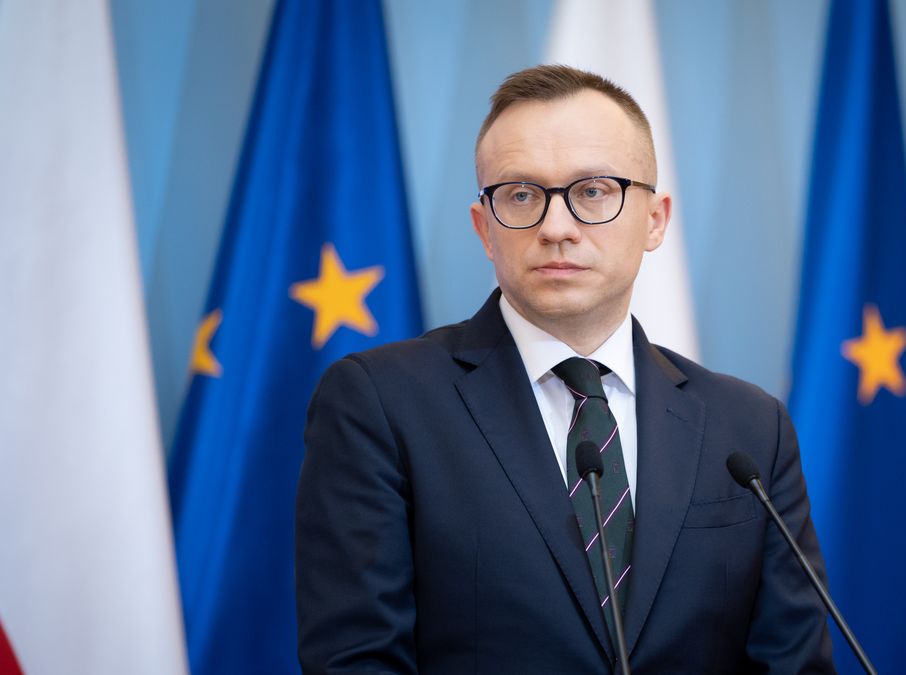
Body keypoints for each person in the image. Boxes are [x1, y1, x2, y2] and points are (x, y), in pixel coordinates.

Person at [296, 64, 834, 674]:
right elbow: (357, 661)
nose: (556, 228)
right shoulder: (381, 402)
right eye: (521, 195)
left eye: (593, 191)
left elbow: (793, 662)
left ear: (655, 219)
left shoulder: (750, 428)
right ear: (484, 228)